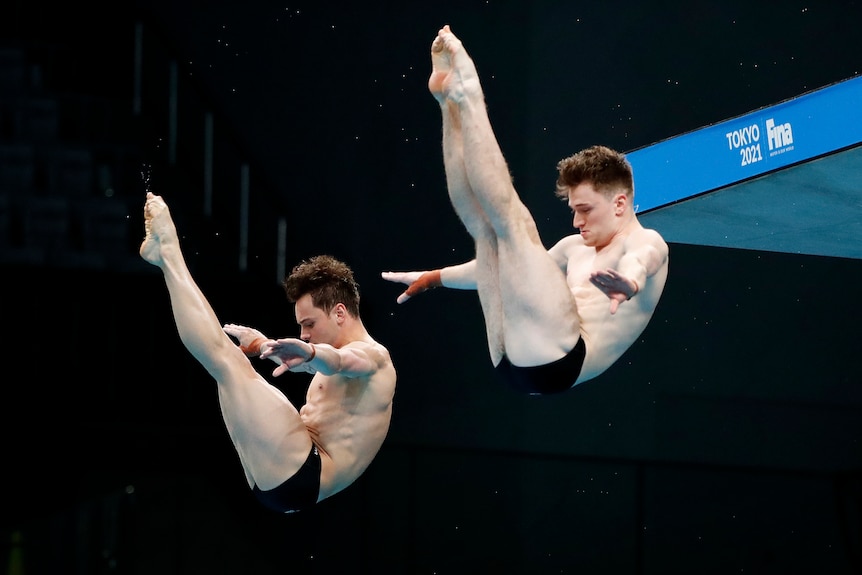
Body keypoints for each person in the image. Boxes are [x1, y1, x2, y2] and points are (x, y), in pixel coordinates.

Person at [382, 25, 669, 395]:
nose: (576, 220)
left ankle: (469, 95)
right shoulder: (572, 249)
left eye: (585, 209)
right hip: (512, 359)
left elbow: (642, 262)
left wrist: (629, 284)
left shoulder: (646, 241)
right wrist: (435, 277)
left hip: (562, 359)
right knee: (486, 233)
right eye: (573, 209)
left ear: (619, 203)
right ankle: (449, 105)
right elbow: (511, 271)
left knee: (515, 225)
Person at [140, 192, 396, 512]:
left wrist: (313, 353)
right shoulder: (336, 363)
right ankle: (165, 256)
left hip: (305, 471)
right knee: (226, 366)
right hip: (288, 476)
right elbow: (316, 366)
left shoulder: (375, 358)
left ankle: (167, 252)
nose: (304, 333)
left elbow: (341, 362)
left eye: (309, 323)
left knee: (225, 360)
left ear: (340, 313)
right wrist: (263, 346)